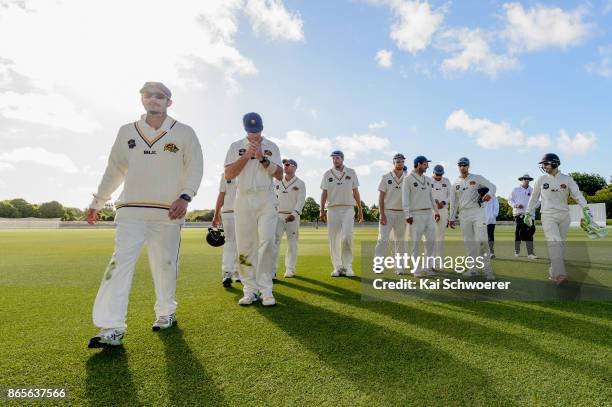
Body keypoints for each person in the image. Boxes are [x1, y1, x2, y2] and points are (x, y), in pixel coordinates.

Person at [87, 82, 203, 348]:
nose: (154, 100)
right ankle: (112, 327)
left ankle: (166, 312)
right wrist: (98, 201)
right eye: (148, 95)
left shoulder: (184, 132)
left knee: (165, 266)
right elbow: (114, 169)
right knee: (118, 265)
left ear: (168, 102)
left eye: (159, 96)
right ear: (142, 99)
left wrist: (186, 196)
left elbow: (195, 167)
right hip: (130, 211)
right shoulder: (127, 131)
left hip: (168, 213)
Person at [224, 112, 282, 306]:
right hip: (244, 197)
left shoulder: (272, 146)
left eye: (256, 131)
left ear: (262, 128)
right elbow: (229, 174)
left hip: (266, 197)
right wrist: (247, 155)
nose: (254, 135)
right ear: (245, 129)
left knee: (266, 241)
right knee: (245, 245)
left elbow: (281, 175)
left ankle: (266, 289)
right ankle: (249, 289)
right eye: (250, 131)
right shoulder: (235, 147)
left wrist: (262, 158)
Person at [526, 153, 588, 285]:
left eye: (546, 163)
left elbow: (577, 195)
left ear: (555, 163)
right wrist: (528, 213)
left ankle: (553, 272)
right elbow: (534, 198)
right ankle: (560, 275)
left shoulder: (567, 179)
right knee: (555, 242)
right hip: (548, 215)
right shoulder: (540, 179)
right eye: (543, 164)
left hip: (564, 216)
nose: (543, 166)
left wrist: (586, 208)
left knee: (561, 244)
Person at [449, 157, 496, 280]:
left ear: (468, 166)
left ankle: (487, 270)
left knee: (482, 240)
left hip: (478, 211)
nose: (462, 167)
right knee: (469, 242)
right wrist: (451, 218)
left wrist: (488, 195)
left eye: (465, 165)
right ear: (458, 166)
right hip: (464, 214)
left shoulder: (477, 178)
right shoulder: (455, 184)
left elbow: (492, 186)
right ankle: (472, 269)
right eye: (460, 165)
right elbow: (453, 203)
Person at [320, 150, 364, 277]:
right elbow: (324, 193)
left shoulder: (351, 172)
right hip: (332, 209)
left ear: (342, 159)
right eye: (333, 158)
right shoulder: (327, 174)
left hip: (348, 208)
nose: (335, 160)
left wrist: (360, 209)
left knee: (347, 237)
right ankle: (337, 267)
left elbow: (355, 191)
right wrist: (322, 210)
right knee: (333, 239)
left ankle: (348, 266)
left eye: (337, 158)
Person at [401, 155, 440, 277]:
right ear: (418, 164)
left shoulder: (428, 179)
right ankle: (417, 270)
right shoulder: (407, 179)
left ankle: (428, 268)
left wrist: (437, 211)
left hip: (429, 214)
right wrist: (407, 214)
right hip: (416, 214)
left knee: (431, 242)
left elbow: (432, 197)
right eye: (425, 164)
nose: (427, 166)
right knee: (416, 243)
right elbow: (405, 198)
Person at [374, 153, 408, 275]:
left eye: (402, 161)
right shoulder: (386, 177)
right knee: (382, 239)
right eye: (398, 161)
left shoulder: (408, 179)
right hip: (387, 212)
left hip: (402, 214)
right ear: (394, 162)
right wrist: (382, 214)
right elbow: (381, 198)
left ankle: (399, 267)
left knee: (400, 241)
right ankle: (378, 265)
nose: (400, 163)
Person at [272, 158, 306, 278]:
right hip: (277, 216)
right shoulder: (276, 181)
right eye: (284, 165)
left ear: (295, 167)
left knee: (292, 244)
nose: (285, 166)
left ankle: (290, 269)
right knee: (274, 243)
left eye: (287, 164)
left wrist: (294, 214)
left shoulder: (300, 183)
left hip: (292, 217)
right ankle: (272, 271)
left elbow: (301, 201)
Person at [212, 172, 239, 288]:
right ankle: (228, 273)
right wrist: (216, 214)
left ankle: (239, 273)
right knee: (230, 243)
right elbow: (221, 195)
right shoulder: (226, 174)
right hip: (228, 213)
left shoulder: (250, 170)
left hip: (245, 212)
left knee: (244, 245)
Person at [508, 174, 538, 259]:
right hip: (519, 213)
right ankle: (517, 250)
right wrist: (516, 205)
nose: (526, 180)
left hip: (529, 215)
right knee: (518, 232)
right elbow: (509, 200)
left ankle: (530, 253)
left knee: (530, 233)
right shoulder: (515, 189)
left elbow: (538, 202)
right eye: (525, 179)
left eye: (528, 179)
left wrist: (533, 206)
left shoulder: (533, 190)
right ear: (522, 180)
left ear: (529, 180)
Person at [431, 164, 451, 260]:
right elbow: (425, 195)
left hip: (443, 210)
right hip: (431, 211)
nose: (439, 177)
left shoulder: (446, 181)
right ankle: (431, 261)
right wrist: (434, 203)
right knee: (431, 236)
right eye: (437, 174)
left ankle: (439, 260)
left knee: (441, 236)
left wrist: (443, 202)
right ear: (433, 173)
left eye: (440, 175)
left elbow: (451, 195)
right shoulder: (428, 181)